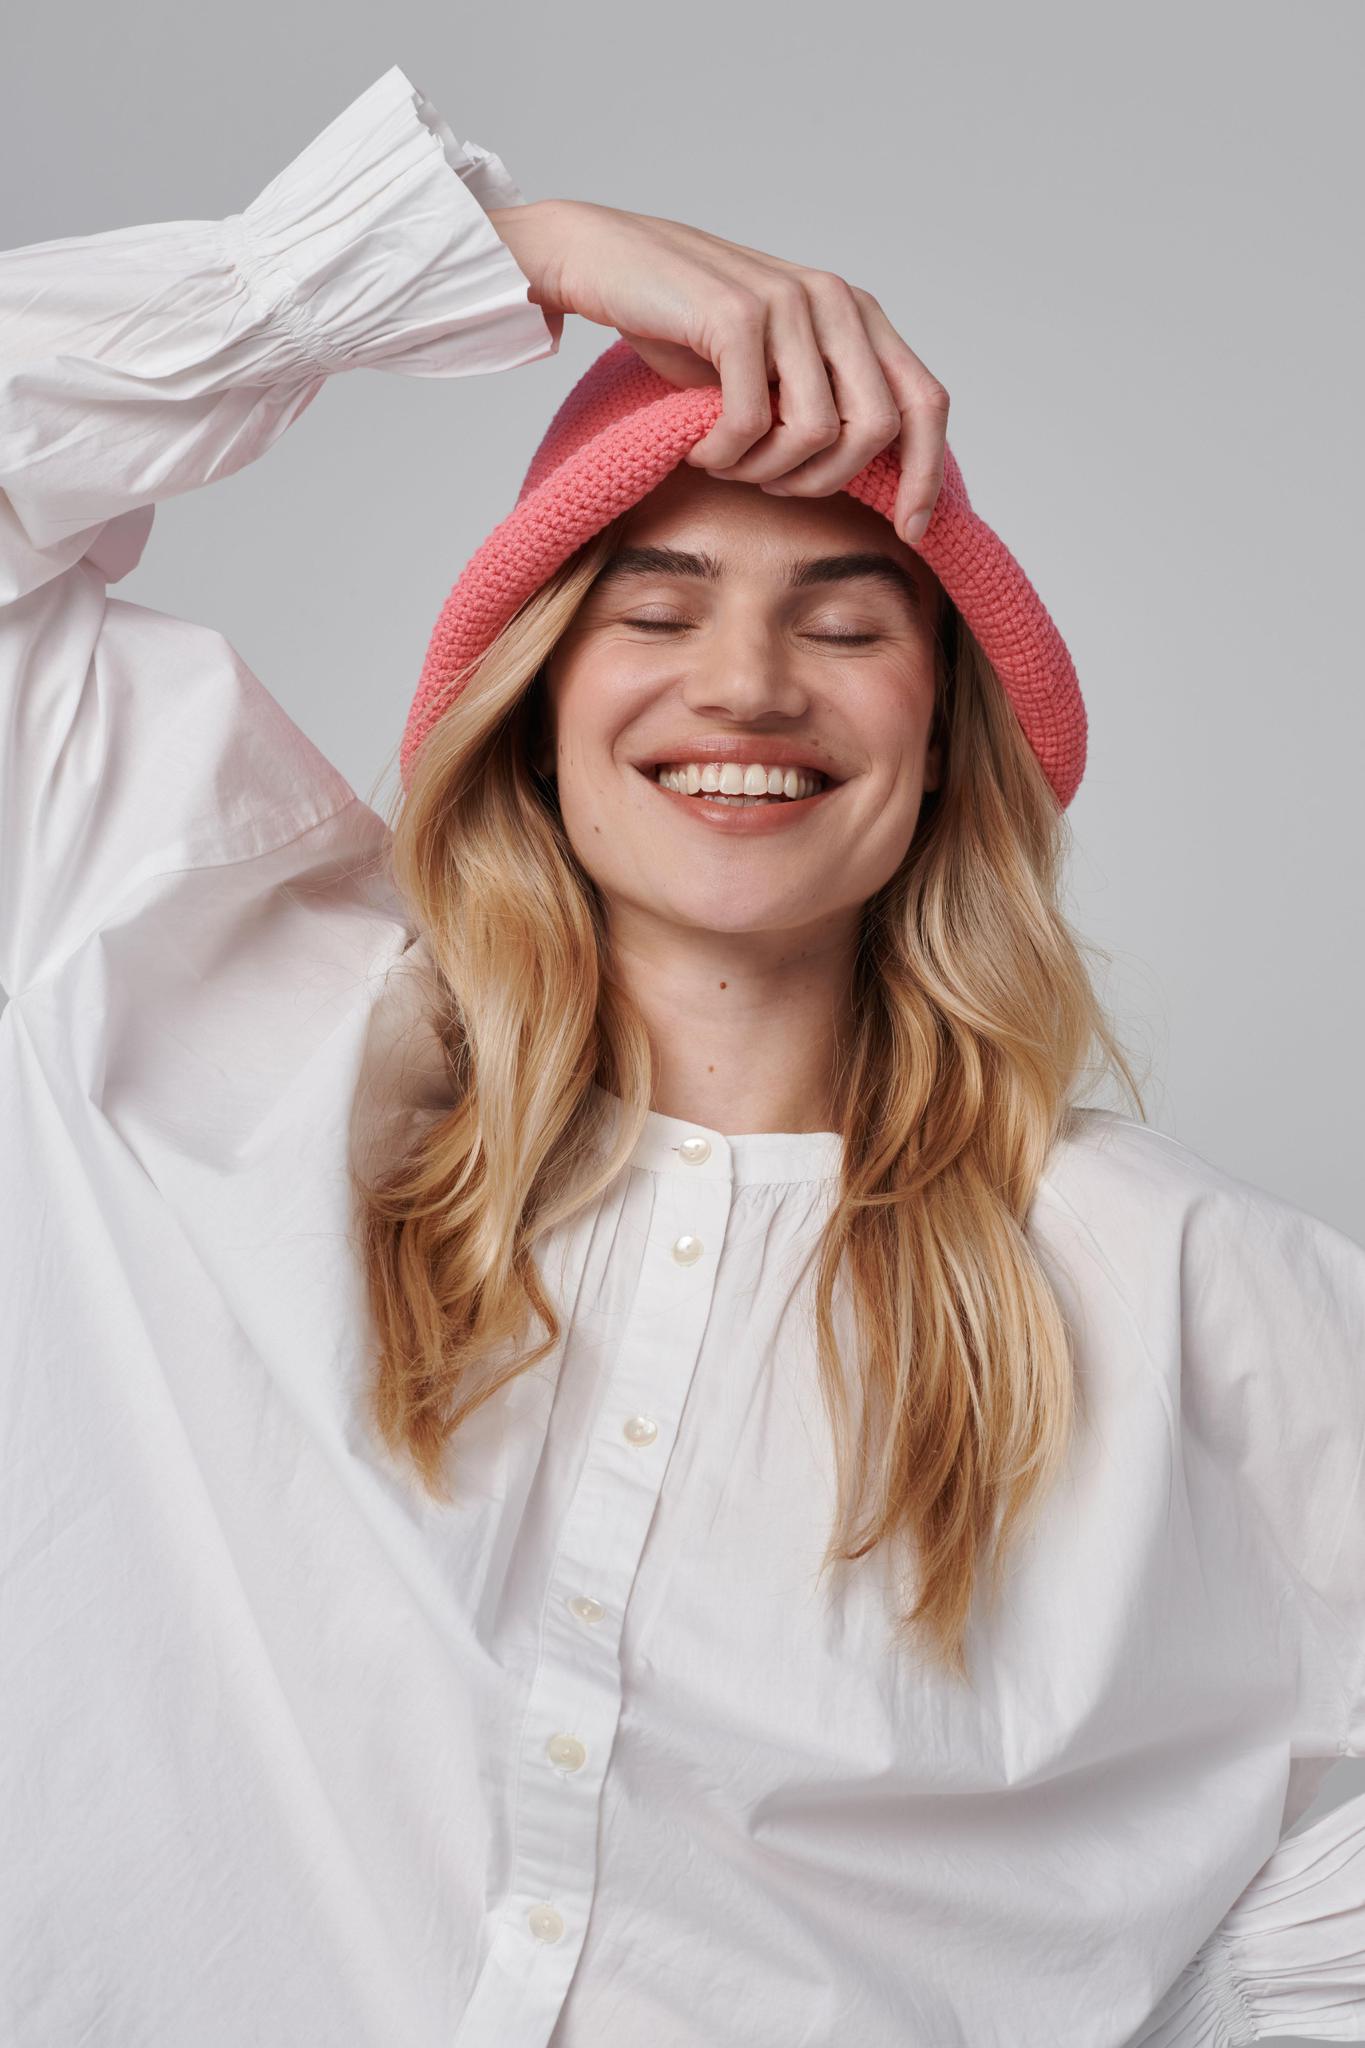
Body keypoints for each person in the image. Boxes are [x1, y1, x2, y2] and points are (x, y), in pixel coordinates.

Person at [0, 60, 1361, 2048]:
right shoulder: (190, 994)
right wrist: (501, 257)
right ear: (535, 703)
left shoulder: (1179, 1285)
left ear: (941, 731)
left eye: (844, 616)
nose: (744, 682)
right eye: (652, 606)